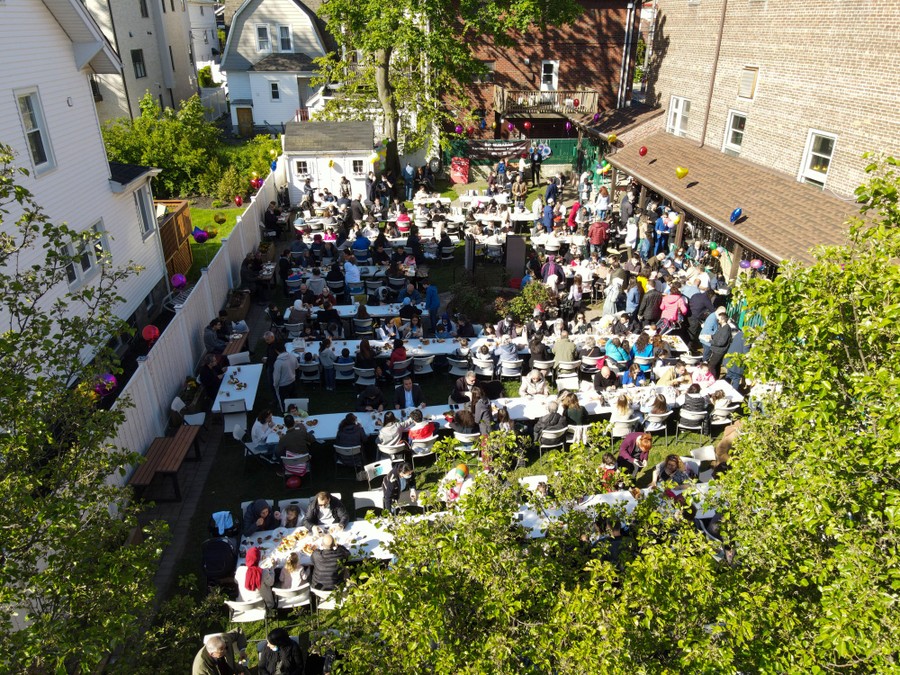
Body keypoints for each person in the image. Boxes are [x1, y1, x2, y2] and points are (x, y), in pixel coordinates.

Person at [708, 313, 733, 378]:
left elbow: (721, 342)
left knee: (712, 366)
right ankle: (715, 378)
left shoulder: (726, 329)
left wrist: (710, 341)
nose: (717, 319)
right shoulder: (721, 327)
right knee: (717, 365)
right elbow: (717, 336)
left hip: (719, 351)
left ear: (723, 319)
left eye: (718, 318)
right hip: (717, 350)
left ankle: (712, 379)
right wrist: (711, 336)